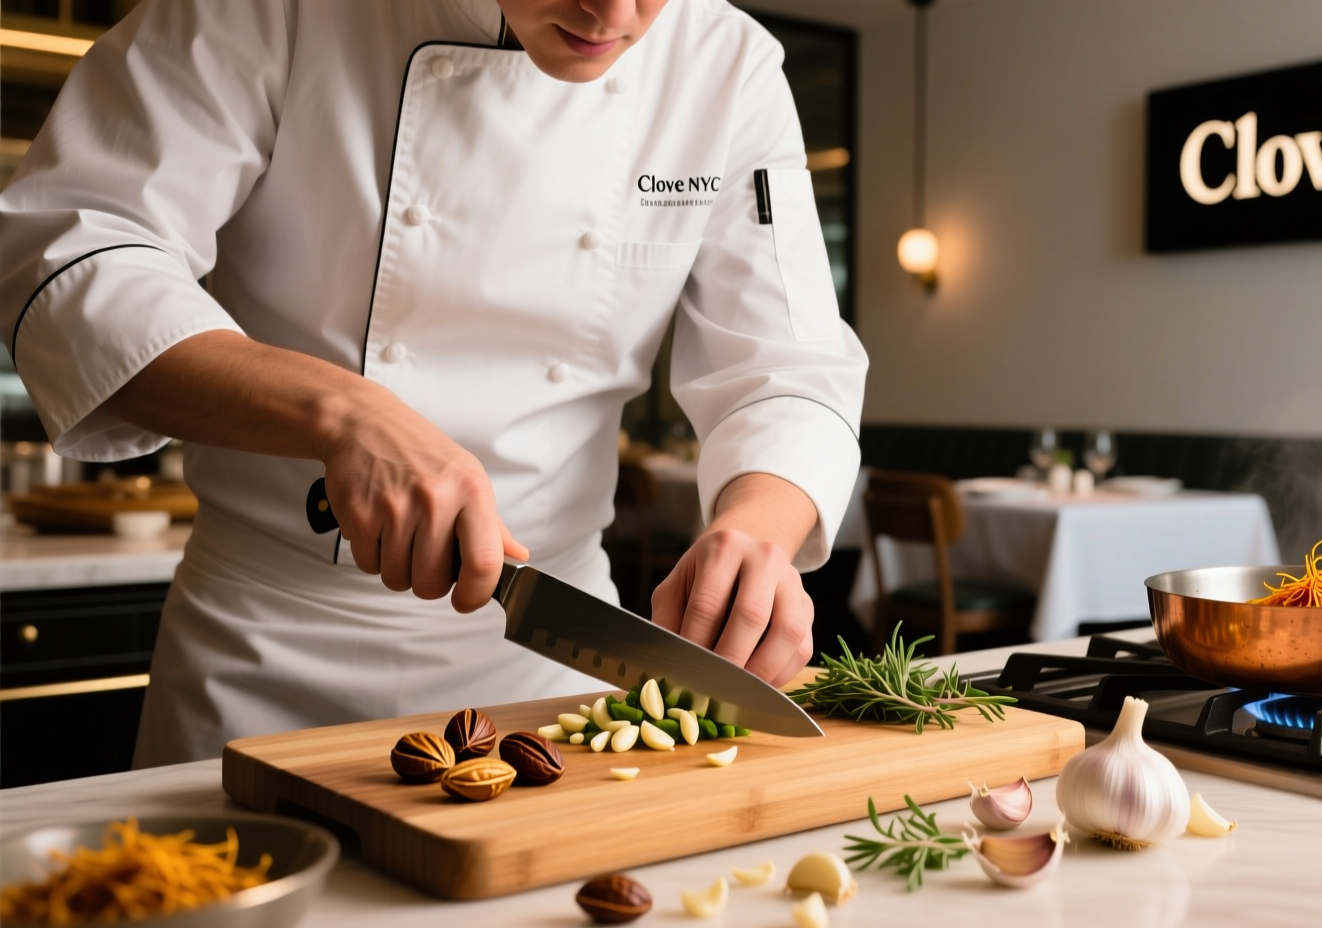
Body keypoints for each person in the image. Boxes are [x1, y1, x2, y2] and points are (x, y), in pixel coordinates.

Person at [0, 0, 866, 767]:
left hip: (547, 665)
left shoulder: (727, 65)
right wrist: (338, 409)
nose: (615, 12)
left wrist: (759, 530)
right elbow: (73, 253)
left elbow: (785, 363)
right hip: (265, 655)